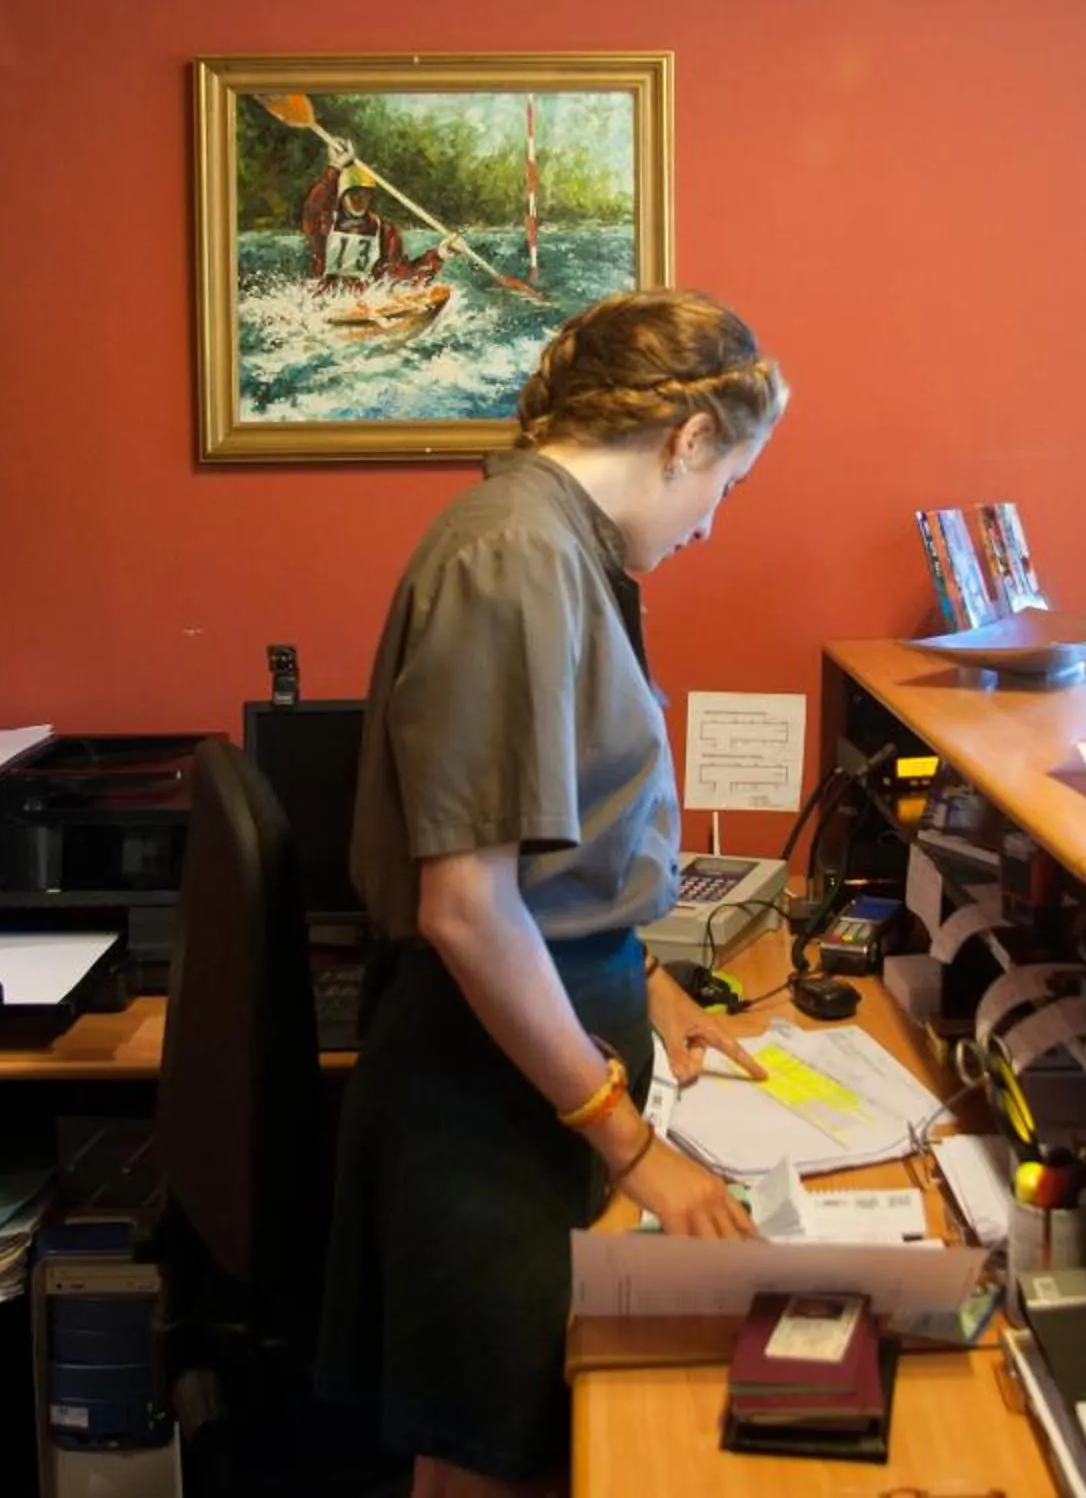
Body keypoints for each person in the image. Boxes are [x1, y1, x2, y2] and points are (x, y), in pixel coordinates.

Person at [317, 288, 789, 1497]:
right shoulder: (513, 554)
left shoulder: (561, 546)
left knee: (532, 1432)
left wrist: (644, 986)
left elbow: (553, 868)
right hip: (483, 1088)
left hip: (546, 1041)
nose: (711, 521)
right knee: (489, 1456)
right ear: (687, 437)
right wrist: (635, 1148)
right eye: (725, 485)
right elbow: (468, 909)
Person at [302, 145, 448, 290]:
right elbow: (313, 208)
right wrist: (336, 166)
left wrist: (440, 254)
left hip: (362, 302)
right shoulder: (326, 224)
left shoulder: (384, 232)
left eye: (366, 195)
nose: (360, 200)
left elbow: (403, 275)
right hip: (325, 297)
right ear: (341, 197)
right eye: (354, 194)